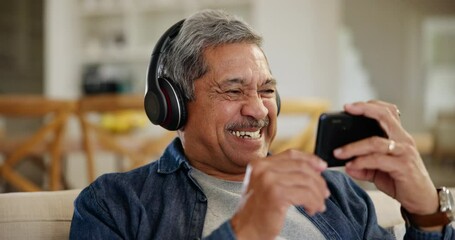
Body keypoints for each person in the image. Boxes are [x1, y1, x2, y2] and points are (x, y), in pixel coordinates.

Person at [70, 9, 454, 239]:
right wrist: (246, 230)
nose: (258, 110)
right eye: (233, 91)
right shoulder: (115, 204)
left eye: (267, 90)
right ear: (173, 106)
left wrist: (428, 215)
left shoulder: (334, 191)